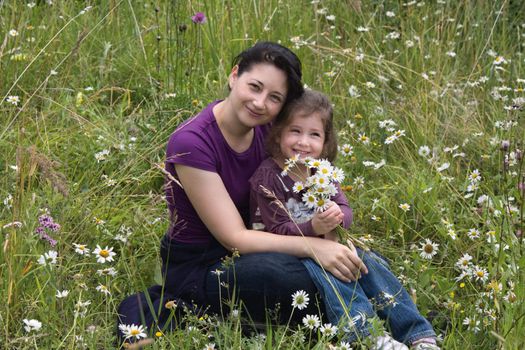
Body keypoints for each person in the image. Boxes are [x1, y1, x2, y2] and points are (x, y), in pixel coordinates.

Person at [116, 42, 368, 344]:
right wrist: (313, 246)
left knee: (361, 260)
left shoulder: (271, 130)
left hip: (266, 242)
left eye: (274, 97)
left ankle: (384, 320)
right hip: (205, 264)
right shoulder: (192, 142)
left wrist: (329, 230)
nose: (261, 103)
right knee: (287, 278)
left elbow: (307, 177)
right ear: (234, 76)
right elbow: (233, 238)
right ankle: (359, 318)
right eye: (255, 87)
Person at [248, 89, 440, 349]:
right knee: (330, 269)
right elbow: (277, 229)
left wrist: (339, 219)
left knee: (366, 261)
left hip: (327, 240)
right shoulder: (269, 177)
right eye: (295, 131)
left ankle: (417, 333)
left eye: (314, 134)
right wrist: (314, 227)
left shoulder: (322, 171)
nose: (303, 142)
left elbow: (343, 208)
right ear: (279, 132)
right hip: (285, 251)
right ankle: (367, 335)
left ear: (326, 141)